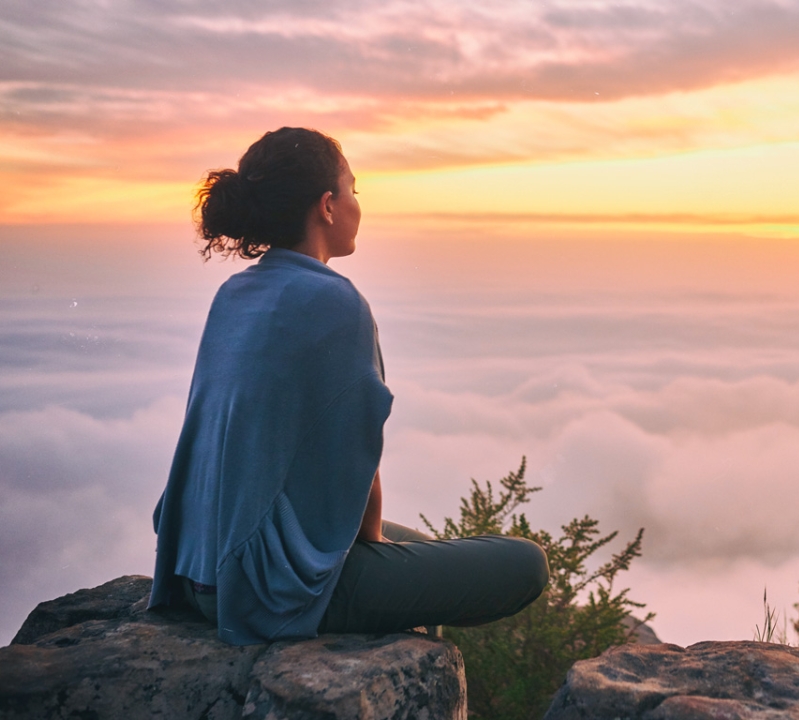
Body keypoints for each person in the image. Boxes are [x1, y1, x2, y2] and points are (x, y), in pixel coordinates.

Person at [149, 127, 548, 645]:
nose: (359, 203)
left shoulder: (236, 292)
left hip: (197, 567)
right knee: (524, 564)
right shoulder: (334, 302)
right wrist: (372, 550)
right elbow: (355, 465)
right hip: (259, 590)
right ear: (327, 206)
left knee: (423, 545)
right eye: (354, 189)